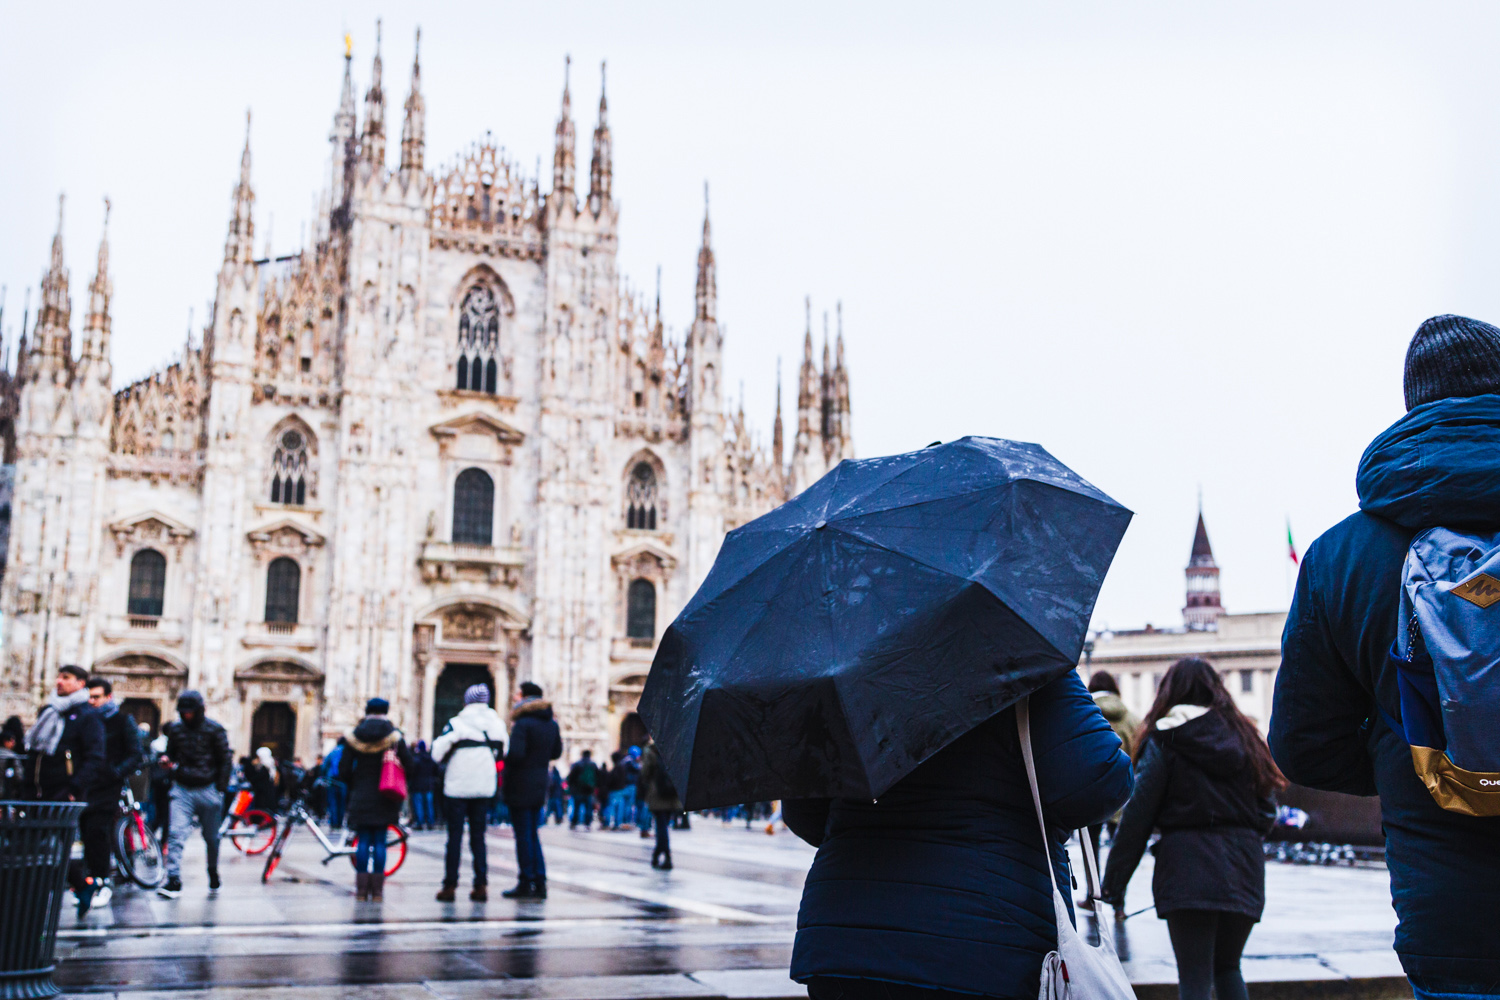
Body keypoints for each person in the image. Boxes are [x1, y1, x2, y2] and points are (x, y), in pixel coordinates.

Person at [1271, 314, 1500, 998]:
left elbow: (1304, 747)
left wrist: (1413, 756)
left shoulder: (1342, 555)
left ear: (1414, 409)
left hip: (1452, 918)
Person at [783, 669, 1132, 1000]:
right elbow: (1097, 782)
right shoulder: (1016, 644)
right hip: (986, 938)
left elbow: (805, 813)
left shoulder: (846, 658)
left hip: (845, 936)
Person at [1100, 657, 1281, 1000]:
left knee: (1194, 978)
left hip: (1187, 868)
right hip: (1244, 869)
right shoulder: (1246, 737)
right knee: (1228, 967)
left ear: (1169, 692)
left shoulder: (1167, 737)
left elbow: (1138, 815)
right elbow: (1267, 810)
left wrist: (1113, 885)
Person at [431, 684, 506, 901]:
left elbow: (437, 753)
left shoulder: (457, 723)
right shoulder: (497, 724)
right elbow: (505, 750)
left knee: (454, 837)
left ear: (467, 701)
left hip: (458, 787)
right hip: (484, 787)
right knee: (478, 837)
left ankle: (450, 886)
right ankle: (481, 885)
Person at [158, 690, 232, 899]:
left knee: (211, 838)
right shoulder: (175, 729)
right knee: (175, 834)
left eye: (191, 711)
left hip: (208, 788)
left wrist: (220, 789)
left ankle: (212, 871)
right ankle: (173, 879)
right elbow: (170, 753)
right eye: (184, 712)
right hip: (182, 788)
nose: (187, 715)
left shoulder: (215, 729)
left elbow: (225, 760)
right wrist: (166, 761)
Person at [337, 697, 413, 901]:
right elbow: (410, 765)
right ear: (386, 712)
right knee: (380, 841)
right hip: (385, 794)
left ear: (367, 711)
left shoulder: (354, 736)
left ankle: (361, 890)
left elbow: (343, 769)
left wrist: (356, 782)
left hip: (361, 793)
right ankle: (378, 891)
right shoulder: (394, 736)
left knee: (362, 841)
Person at [80, 678, 143, 914]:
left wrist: (116, 773)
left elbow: (135, 752)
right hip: (86, 784)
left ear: (108, 696)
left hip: (108, 784)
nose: (91, 701)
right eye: (89, 696)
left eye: (96, 697)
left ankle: (102, 881)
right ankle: (89, 882)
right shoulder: (84, 720)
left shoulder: (121, 720)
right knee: (86, 831)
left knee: (98, 830)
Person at [502, 681, 562, 899]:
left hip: (520, 784)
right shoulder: (551, 723)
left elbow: (516, 755)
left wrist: (504, 758)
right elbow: (556, 752)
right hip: (540, 784)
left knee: (523, 835)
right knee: (532, 833)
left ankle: (526, 880)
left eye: (518, 694)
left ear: (526, 696)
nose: (515, 697)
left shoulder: (522, 723)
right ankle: (540, 880)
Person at [1087, 669, 1142, 858]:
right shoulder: (1133, 720)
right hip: (1124, 792)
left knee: (1090, 846)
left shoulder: (1082, 716)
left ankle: (1092, 885)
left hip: (1088, 792)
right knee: (1119, 846)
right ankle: (1114, 886)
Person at [638, 739, 681, 870]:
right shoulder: (676, 749)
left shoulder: (651, 751)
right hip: (672, 793)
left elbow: (645, 773)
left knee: (661, 826)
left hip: (658, 793)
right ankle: (657, 854)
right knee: (664, 826)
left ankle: (666, 856)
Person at [408, 740, 438, 831]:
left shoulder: (416, 760)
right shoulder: (431, 760)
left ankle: (420, 823)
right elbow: (436, 770)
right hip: (429, 785)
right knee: (429, 805)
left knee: (419, 805)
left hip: (417, 785)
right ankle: (430, 822)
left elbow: (412, 772)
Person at [246, 746, 284, 814]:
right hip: (269, 795)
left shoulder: (265, 767)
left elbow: (256, 779)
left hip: (263, 796)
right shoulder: (271, 765)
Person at [567, 750, 598, 829]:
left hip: (578, 790)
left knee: (576, 807)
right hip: (588, 790)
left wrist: (571, 787)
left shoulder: (577, 764)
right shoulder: (593, 765)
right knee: (588, 808)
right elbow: (597, 777)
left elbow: (571, 777)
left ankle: (574, 823)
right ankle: (588, 823)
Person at [324, 739, 347, 829]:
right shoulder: (346, 751)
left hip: (331, 780)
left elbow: (325, 765)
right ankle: (339, 823)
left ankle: (333, 822)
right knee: (342, 802)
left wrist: (324, 776)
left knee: (332, 802)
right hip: (343, 780)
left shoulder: (333, 751)